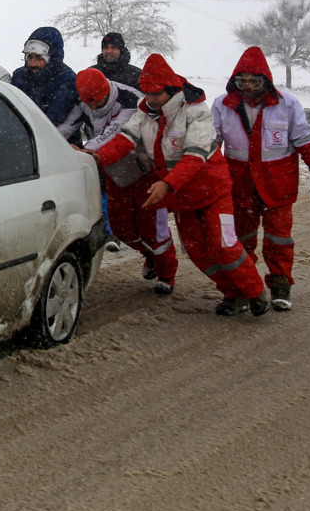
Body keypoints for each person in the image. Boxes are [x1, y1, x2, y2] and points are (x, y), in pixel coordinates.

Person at [94, 54, 270, 316]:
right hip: (183, 198)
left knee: (224, 246)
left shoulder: (196, 111)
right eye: (146, 93)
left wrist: (167, 183)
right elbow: (125, 140)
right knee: (198, 253)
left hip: (212, 192)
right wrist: (97, 156)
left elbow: (194, 157)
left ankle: (255, 291)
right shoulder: (145, 112)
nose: (149, 99)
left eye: (155, 94)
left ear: (171, 89)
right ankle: (232, 293)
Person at [211, 46, 310, 311]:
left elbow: (303, 138)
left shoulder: (287, 104)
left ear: (266, 80)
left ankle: (280, 283)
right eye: (242, 81)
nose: (248, 86)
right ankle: (245, 288)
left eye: (254, 80)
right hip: (240, 183)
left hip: (278, 184)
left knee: (279, 238)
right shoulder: (222, 105)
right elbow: (210, 141)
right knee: (240, 239)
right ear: (234, 81)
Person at [64, 69, 178, 294]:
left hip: (145, 172)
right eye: (89, 103)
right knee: (121, 227)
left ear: (107, 91)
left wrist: (87, 151)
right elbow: (68, 125)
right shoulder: (83, 100)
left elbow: (116, 132)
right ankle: (149, 255)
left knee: (155, 230)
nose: (94, 107)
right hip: (114, 172)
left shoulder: (130, 98)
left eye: (98, 102)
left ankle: (167, 274)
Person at [10, 27, 79, 125]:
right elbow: (11, 112)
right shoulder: (20, 76)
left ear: (52, 58)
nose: (33, 63)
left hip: (59, 138)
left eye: (39, 58)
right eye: (30, 57)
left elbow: (53, 120)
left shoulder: (67, 80)